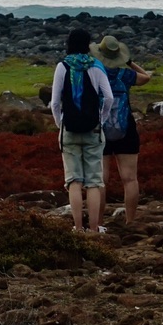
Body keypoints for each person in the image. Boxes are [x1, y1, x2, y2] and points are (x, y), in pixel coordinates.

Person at [51, 30, 115, 233]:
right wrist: (101, 119)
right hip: (93, 129)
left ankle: (78, 228)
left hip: (69, 129)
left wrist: (60, 124)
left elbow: (54, 102)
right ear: (88, 45)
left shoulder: (63, 66)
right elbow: (109, 97)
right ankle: (94, 229)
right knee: (94, 181)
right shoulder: (96, 66)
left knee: (74, 181)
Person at [96, 34, 151, 228]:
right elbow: (146, 77)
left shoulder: (95, 73)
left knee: (100, 180)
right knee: (130, 179)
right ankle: (130, 221)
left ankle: (99, 222)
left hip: (100, 129)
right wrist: (130, 63)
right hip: (125, 128)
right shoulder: (125, 75)